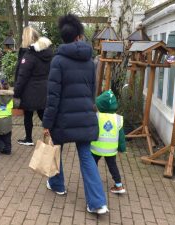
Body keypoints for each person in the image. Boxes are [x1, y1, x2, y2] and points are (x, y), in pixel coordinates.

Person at [42, 14, 108, 214]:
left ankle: (57, 184)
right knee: (86, 156)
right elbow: (92, 92)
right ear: (79, 36)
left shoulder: (58, 61)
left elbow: (53, 96)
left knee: (55, 148)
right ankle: (97, 203)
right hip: (85, 116)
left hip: (62, 118)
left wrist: (47, 122)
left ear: (63, 37)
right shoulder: (90, 61)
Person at [14, 26, 53, 146]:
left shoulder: (29, 55)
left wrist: (17, 92)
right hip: (43, 88)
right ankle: (53, 135)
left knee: (28, 114)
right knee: (42, 114)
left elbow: (22, 76)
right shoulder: (46, 53)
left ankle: (29, 138)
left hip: (30, 90)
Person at [91, 90, 126, 194]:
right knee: (112, 166)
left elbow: (91, 130)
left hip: (96, 148)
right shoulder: (118, 119)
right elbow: (121, 137)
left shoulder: (96, 116)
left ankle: (93, 182)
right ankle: (119, 186)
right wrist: (122, 148)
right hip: (111, 150)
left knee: (93, 164)